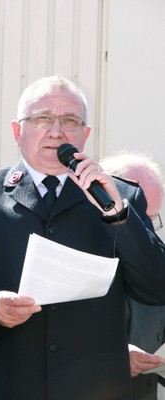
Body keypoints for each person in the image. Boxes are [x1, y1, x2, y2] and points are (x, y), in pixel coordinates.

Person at [0, 75, 165, 400]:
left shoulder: (120, 195)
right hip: (1, 388)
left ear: (85, 135)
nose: (56, 131)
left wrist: (118, 215)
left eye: (70, 120)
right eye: (43, 117)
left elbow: (156, 287)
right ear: (18, 131)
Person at [100, 151, 165, 400]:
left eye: (151, 218)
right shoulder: (70, 253)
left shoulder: (157, 264)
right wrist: (111, 359)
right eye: (138, 216)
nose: (145, 230)